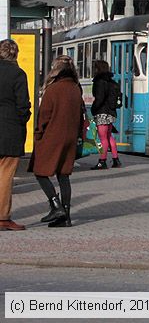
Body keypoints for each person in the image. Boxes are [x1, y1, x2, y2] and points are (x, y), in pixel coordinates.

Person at [28, 55, 84, 228]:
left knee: (40, 171)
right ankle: (65, 217)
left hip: (52, 136)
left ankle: (55, 205)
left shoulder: (53, 90)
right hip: (70, 137)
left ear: (55, 70)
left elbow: (44, 115)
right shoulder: (76, 88)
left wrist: (38, 134)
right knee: (63, 175)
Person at [0, 40, 31, 231]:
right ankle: (3, 218)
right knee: (5, 175)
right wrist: (23, 120)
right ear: (15, 54)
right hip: (9, 131)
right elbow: (23, 105)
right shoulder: (18, 74)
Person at [90, 60, 121, 170]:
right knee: (109, 137)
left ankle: (102, 161)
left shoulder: (99, 82)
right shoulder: (113, 83)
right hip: (111, 113)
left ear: (98, 69)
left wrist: (94, 109)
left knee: (103, 138)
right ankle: (116, 159)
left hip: (102, 112)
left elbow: (99, 98)